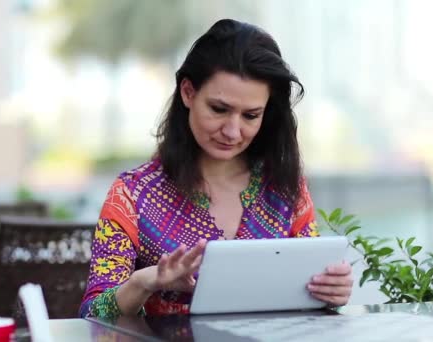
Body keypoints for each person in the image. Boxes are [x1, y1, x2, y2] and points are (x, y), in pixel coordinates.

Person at [80, 18, 353, 318]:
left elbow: (307, 292)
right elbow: (92, 316)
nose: (233, 131)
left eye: (251, 115)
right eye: (219, 110)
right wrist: (146, 282)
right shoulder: (131, 196)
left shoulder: (285, 190)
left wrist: (330, 293)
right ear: (188, 92)